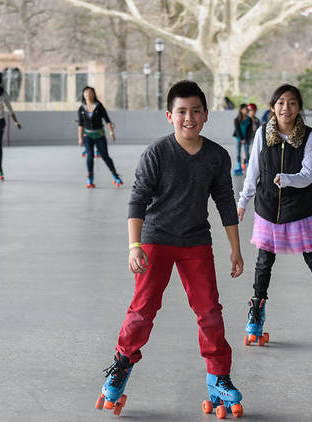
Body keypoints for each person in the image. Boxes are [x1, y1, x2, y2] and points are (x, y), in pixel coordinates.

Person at [95, 81, 244, 418]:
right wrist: (135, 246)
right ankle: (120, 367)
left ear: (206, 115)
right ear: (169, 116)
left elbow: (225, 203)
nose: (188, 118)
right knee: (143, 310)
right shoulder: (157, 153)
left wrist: (235, 250)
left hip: (195, 241)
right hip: (155, 239)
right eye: (181, 112)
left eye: (195, 111)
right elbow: (137, 200)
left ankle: (218, 377)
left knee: (210, 312)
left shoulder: (217, 156)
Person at [236, 84, 312, 348]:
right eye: (280, 103)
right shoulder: (261, 135)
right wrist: (243, 201)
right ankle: (256, 312)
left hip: (299, 207)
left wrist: (286, 179)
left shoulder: (308, 136)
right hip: (268, 207)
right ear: (272, 106)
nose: (285, 108)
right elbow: (252, 170)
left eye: (291, 103)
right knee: (264, 262)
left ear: (298, 108)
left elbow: (307, 175)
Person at [77, 86, 122, 188]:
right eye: (86, 93)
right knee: (90, 156)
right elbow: (80, 124)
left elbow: (107, 120)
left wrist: (111, 133)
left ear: (94, 94)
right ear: (84, 95)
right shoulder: (81, 108)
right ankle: (90, 178)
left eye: (90, 93)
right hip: (87, 135)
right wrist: (80, 138)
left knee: (105, 156)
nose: (88, 95)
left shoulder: (99, 106)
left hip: (99, 135)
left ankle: (115, 176)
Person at [232, 104, 253, 176]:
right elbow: (237, 130)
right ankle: (239, 167)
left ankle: (248, 168)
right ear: (241, 110)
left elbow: (250, 130)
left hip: (246, 139)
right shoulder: (237, 120)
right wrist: (241, 139)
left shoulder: (249, 119)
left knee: (247, 153)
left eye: (247, 109)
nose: (246, 110)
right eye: (245, 109)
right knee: (238, 153)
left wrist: (246, 139)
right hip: (239, 138)